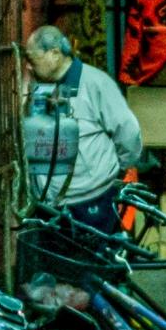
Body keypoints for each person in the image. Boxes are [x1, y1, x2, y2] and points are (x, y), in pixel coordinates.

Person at [19, 23, 144, 239]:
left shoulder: (96, 83)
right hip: (49, 204)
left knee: (93, 267)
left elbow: (129, 132)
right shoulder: (38, 87)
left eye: (32, 60)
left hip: (92, 198)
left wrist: (117, 170)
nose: (28, 67)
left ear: (55, 54)